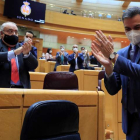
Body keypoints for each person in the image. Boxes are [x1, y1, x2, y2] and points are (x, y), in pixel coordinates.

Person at [91, 7, 140, 139]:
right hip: (131, 123)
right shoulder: (122, 54)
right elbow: (113, 89)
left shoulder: (117, 56)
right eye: (128, 29)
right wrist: (108, 67)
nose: (132, 32)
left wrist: (113, 56)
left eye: (137, 27)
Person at [0, 21, 38, 88]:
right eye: (10, 31)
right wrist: (14, 53)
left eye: (16, 32)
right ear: (1, 33)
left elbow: (34, 66)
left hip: (22, 88)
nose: (14, 34)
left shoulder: (22, 47)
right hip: (3, 88)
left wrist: (27, 54)